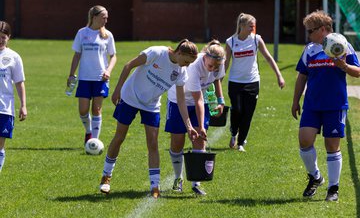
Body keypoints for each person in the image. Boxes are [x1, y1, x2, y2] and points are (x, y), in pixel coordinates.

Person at [99, 39, 199, 198]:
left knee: (153, 143)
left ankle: (155, 186)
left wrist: (189, 126)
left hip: (151, 104)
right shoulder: (156, 52)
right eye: (186, 61)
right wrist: (117, 90)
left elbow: (181, 101)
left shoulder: (181, 72)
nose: (186, 65)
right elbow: (128, 66)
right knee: (119, 137)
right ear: (179, 52)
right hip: (130, 96)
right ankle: (106, 177)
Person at [292, 10, 360, 202]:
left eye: (310, 31)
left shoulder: (342, 45)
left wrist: (344, 67)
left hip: (335, 104)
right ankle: (315, 176)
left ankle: (333, 188)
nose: (308, 35)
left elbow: (358, 71)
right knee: (305, 140)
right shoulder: (310, 49)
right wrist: (295, 100)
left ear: (322, 30)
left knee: (332, 145)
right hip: (312, 104)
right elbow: (302, 76)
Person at [165, 40, 226, 195]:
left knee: (199, 139)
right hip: (179, 101)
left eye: (216, 67)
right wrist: (200, 125)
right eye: (211, 66)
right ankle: (178, 178)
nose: (213, 69)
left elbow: (216, 81)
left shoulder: (219, 64)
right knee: (177, 142)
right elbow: (197, 99)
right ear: (204, 56)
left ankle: (196, 183)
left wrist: (220, 101)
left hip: (200, 101)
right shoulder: (194, 67)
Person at [225, 13, 285, 152]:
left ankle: (240, 143)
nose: (253, 28)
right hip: (235, 82)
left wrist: (279, 76)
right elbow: (226, 62)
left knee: (248, 114)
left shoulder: (256, 40)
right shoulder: (231, 42)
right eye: (250, 26)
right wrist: (218, 80)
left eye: (254, 26)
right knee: (237, 110)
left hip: (252, 82)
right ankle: (234, 133)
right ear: (242, 25)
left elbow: (268, 58)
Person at [68, 5, 117, 145]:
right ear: (94, 17)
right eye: (103, 17)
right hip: (84, 78)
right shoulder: (82, 33)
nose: (106, 20)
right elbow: (77, 55)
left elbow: (113, 56)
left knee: (96, 109)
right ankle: (89, 131)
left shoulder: (108, 35)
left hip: (100, 78)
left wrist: (108, 71)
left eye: (107, 18)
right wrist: (71, 74)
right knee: (83, 110)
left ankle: (94, 141)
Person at [0, 21, 27, 172]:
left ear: (9, 37)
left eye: (3, 37)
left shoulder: (13, 57)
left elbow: (19, 83)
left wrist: (23, 105)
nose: (0, 40)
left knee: (0, 145)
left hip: (4, 107)